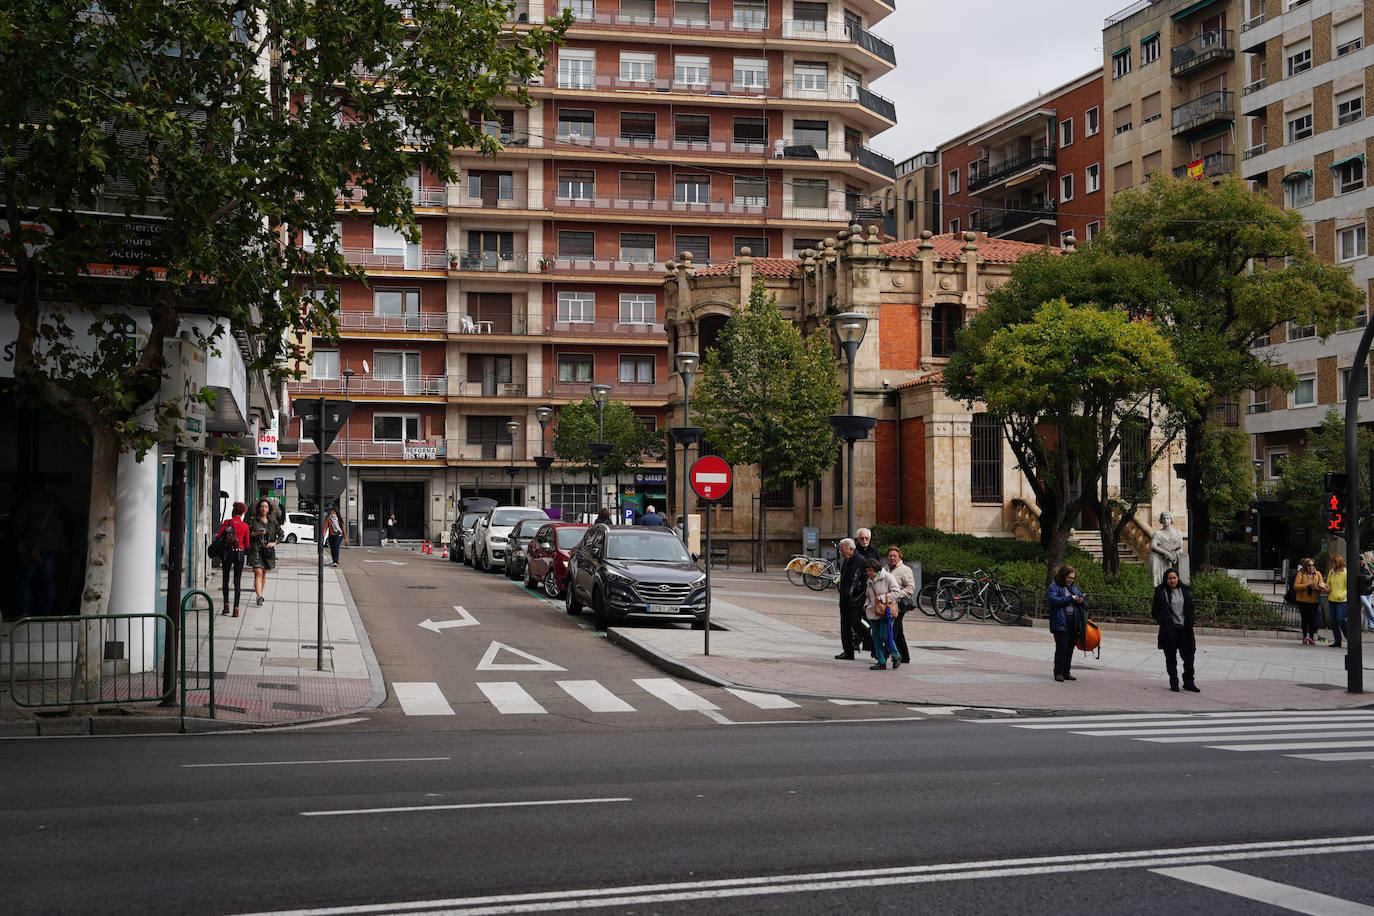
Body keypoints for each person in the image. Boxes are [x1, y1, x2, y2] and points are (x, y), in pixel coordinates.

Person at [11, 476, 70, 617]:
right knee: (48, 580)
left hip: (34, 546)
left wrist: (18, 537)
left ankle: (23, 611)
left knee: (25, 579)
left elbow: (18, 524)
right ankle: (46, 612)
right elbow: (67, 518)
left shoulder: (29, 501)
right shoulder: (55, 500)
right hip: (52, 546)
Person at [1151, 568, 1198, 693]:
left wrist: (1192, 621)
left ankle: (1189, 682)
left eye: (1174, 578)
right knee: (1171, 658)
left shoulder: (1185, 591)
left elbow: (1191, 608)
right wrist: (1164, 622)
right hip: (1169, 631)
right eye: (1169, 578)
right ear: (1166, 580)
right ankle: (1174, 682)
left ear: (1178, 578)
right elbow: (1155, 612)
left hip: (1185, 630)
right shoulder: (1160, 593)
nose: (1172, 580)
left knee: (1189, 657)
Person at [1046, 564, 1085, 682]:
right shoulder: (1054, 587)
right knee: (1062, 647)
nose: (1071, 580)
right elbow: (1053, 600)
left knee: (1070, 648)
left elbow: (1083, 604)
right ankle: (1058, 672)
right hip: (1060, 622)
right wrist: (1070, 598)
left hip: (1073, 623)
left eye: (1073, 578)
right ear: (1063, 576)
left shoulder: (1074, 588)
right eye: (1069, 578)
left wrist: (1081, 601)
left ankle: (1066, 672)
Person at [834, 538, 870, 660]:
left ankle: (872, 642)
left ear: (850, 549)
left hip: (855, 600)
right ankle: (848, 652)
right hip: (844, 599)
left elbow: (865, 582)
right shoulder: (846, 560)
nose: (841, 553)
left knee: (856, 623)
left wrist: (857, 596)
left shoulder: (860, 560)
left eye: (842, 550)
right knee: (845, 627)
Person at [864, 557, 901, 670]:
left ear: (876, 568)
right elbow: (868, 596)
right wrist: (866, 606)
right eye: (867, 571)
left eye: (870, 570)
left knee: (885, 635)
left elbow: (896, 592)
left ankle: (896, 655)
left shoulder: (888, 577)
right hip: (873, 611)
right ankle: (881, 661)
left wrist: (882, 597)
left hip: (886, 611)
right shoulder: (869, 581)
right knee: (876, 638)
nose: (869, 573)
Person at [215, 502, 250, 617]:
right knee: (237, 581)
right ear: (242, 513)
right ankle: (236, 609)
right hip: (239, 554)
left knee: (226, 579)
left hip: (227, 553)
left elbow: (219, 536)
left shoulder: (227, 522)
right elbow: (247, 544)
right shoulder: (245, 526)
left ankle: (226, 606)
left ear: (233, 511)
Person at [885, 546, 916, 665]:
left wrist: (897, 595)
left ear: (899, 557)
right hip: (888, 604)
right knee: (898, 632)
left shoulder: (905, 570)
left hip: (899, 605)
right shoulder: (885, 569)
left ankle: (884, 655)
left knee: (892, 631)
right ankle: (905, 657)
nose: (892, 558)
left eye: (895, 556)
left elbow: (910, 587)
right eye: (890, 556)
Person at [248, 498, 281, 607]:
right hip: (256, 550)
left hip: (267, 551)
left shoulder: (272, 521)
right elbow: (248, 534)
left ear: (268, 509)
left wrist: (274, 543)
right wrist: (257, 533)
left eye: (265, 507)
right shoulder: (253, 520)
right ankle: (259, 596)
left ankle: (260, 595)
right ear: (258, 508)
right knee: (258, 573)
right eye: (262, 506)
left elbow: (281, 534)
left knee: (263, 574)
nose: (263, 509)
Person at [1292, 557, 1325, 645]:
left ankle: (1311, 637)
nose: (1311, 567)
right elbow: (1296, 586)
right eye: (1309, 565)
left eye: (1312, 565)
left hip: (1314, 600)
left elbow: (1322, 585)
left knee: (1312, 619)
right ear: (1305, 566)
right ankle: (1304, 636)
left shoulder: (1317, 574)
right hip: (1303, 600)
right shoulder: (1301, 574)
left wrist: (1319, 587)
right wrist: (1306, 585)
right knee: (1304, 619)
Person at [1149, 511, 1187, 587]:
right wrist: (1166, 553)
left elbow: (1180, 548)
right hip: (1158, 558)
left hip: (1170, 559)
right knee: (1157, 580)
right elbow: (1153, 546)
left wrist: (1174, 555)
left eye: (1168, 518)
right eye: (1164, 518)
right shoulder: (1158, 533)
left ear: (1171, 519)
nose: (1166, 520)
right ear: (1161, 520)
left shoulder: (1178, 533)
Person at [1327, 554, 1348, 649]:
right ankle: (1337, 640)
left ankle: (1349, 637)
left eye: (1333, 563)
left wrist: (1341, 595)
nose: (1332, 564)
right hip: (1332, 599)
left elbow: (1349, 588)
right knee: (1333, 621)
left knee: (1341, 619)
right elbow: (1328, 584)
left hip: (1342, 601)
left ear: (1338, 563)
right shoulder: (1331, 572)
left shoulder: (1345, 573)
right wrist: (1325, 587)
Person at [1361, 552, 1374, 632]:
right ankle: (1369, 625)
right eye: (1372, 557)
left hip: (1369, 590)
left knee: (1367, 608)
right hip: (1365, 590)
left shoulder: (1371, 566)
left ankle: (1369, 626)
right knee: (1367, 607)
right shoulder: (1366, 566)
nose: (1373, 558)